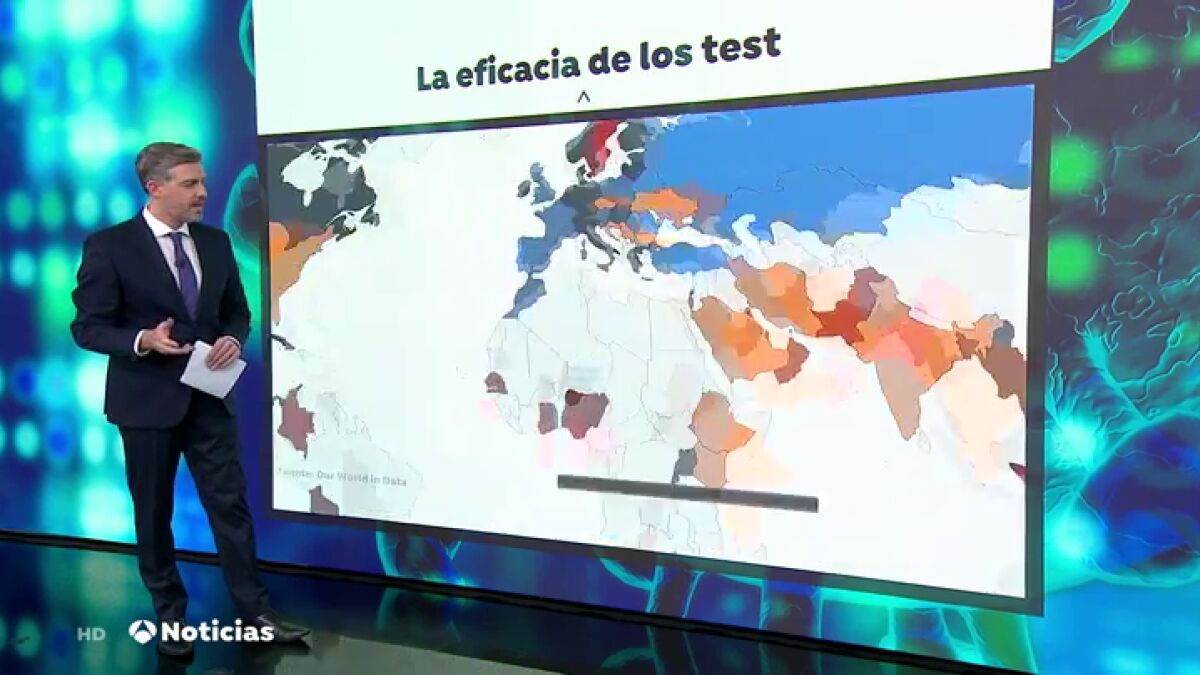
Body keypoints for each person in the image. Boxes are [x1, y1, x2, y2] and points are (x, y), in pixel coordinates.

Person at [70, 142, 309, 657]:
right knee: (154, 512)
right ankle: (171, 617)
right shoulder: (110, 246)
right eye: (190, 184)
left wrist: (232, 339)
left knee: (230, 507)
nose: (203, 192)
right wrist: (143, 340)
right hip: (145, 403)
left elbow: (237, 312)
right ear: (155, 188)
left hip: (208, 398)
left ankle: (256, 613)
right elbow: (87, 327)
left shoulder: (216, 242)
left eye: (202, 181)